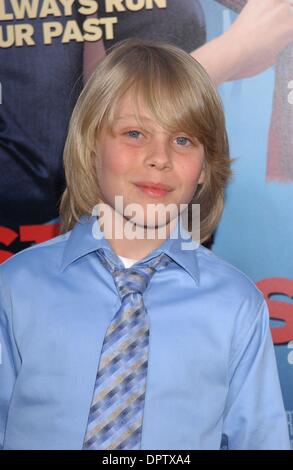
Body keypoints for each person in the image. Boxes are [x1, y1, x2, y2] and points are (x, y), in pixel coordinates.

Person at [0, 39, 290, 450]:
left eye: (184, 140)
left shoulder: (236, 305)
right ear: (90, 147)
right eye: (135, 133)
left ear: (206, 169)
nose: (159, 158)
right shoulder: (15, 287)